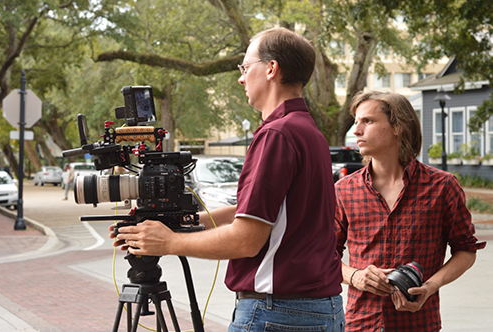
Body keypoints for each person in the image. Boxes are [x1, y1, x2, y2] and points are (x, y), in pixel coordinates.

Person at [109, 27, 345, 331]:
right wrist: (188, 220)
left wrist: (170, 242)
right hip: (320, 309)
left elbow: (246, 239)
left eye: (246, 68)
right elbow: (256, 214)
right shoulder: (309, 132)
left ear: (271, 69)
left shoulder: (277, 134)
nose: (241, 78)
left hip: (277, 312)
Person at [335, 90, 486, 332]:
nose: (356, 131)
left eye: (368, 121)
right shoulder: (344, 190)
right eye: (356, 122)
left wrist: (431, 286)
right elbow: (323, 256)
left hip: (419, 323)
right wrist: (355, 276)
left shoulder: (442, 186)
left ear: (398, 127)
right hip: (360, 324)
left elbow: (466, 250)